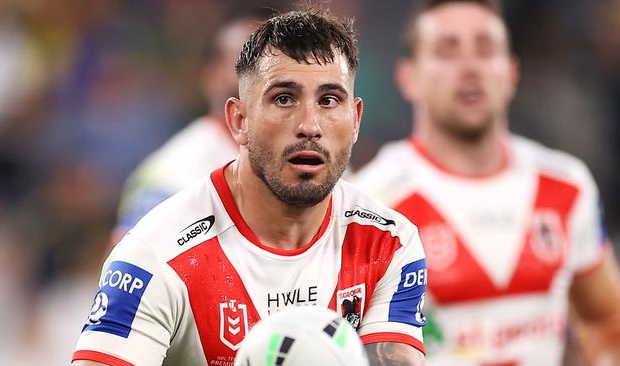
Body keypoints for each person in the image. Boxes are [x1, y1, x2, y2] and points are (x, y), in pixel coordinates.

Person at [72, 8, 427, 366]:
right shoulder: (157, 254)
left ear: (356, 120)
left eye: (329, 100)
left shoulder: (389, 242)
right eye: (284, 99)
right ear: (238, 121)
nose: (309, 125)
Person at [353, 0, 620, 365]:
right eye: (447, 51)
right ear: (408, 76)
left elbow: (606, 322)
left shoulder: (567, 187)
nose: (470, 68)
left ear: (511, 72)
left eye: (485, 49)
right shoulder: (372, 205)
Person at [111, 13, 262, 241]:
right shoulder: (173, 172)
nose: (262, 73)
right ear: (211, 76)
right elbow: (127, 266)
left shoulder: (312, 156)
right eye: (247, 59)